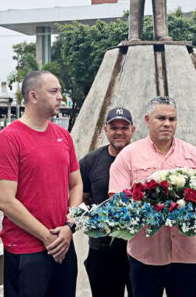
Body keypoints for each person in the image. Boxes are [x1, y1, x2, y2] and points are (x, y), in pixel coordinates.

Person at [0, 70, 82, 297]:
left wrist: (70, 226)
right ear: (33, 96)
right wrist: (47, 237)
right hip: (27, 250)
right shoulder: (8, 139)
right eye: (53, 91)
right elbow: (5, 201)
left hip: (63, 243)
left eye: (60, 90)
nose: (60, 96)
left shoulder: (63, 136)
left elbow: (76, 184)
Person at [109, 96, 196, 297]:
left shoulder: (192, 154)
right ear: (147, 120)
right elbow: (118, 202)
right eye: (161, 118)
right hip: (145, 257)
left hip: (186, 256)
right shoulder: (128, 155)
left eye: (172, 119)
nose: (167, 124)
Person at [80, 107, 137, 297]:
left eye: (124, 127)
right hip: (103, 248)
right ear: (105, 130)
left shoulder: (142, 158)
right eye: (114, 127)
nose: (119, 132)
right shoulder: (90, 161)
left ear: (133, 130)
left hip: (138, 249)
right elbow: (83, 198)